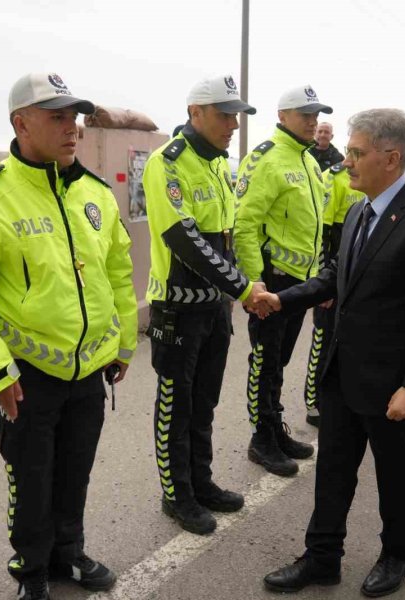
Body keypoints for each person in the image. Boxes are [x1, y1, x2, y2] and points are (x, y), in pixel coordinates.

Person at [0, 72, 137, 600]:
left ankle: (70, 555)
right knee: (31, 480)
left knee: (75, 472)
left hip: (90, 369)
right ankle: (31, 571)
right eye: (56, 117)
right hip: (27, 376)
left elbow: (117, 269)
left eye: (74, 117)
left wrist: (123, 343)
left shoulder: (93, 193)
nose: (72, 128)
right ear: (21, 123)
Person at [259, 108, 405, 598]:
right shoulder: (358, 210)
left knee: (395, 474)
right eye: (348, 151)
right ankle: (322, 557)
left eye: (356, 153)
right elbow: (336, 277)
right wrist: (282, 300)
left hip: (393, 382)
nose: (346, 162)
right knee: (332, 471)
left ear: (391, 158)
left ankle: (398, 555)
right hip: (343, 372)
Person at [143, 75, 257, 535]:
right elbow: (185, 240)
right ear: (196, 113)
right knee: (177, 402)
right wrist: (245, 289)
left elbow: (227, 237)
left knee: (204, 401)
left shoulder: (216, 165)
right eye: (225, 114)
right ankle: (177, 494)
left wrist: (241, 287)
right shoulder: (167, 163)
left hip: (214, 310)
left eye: (236, 115)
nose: (233, 123)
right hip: (178, 308)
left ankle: (202, 482)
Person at [234, 85, 331, 476]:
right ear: (282, 116)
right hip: (273, 282)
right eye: (305, 114)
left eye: (316, 114)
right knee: (264, 361)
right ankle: (261, 439)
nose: (313, 121)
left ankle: (275, 427)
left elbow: (316, 227)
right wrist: (253, 283)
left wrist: (319, 280)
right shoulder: (266, 158)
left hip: (299, 284)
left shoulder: (309, 161)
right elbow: (243, 226)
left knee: (280, 361)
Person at [302, 161, 365, 426]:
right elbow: (324, 233)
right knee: (324, 339)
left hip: (358, 276)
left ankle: (338, 398)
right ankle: (314, 401)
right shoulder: (337, 177)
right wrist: (323, 281)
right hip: (334, 274)